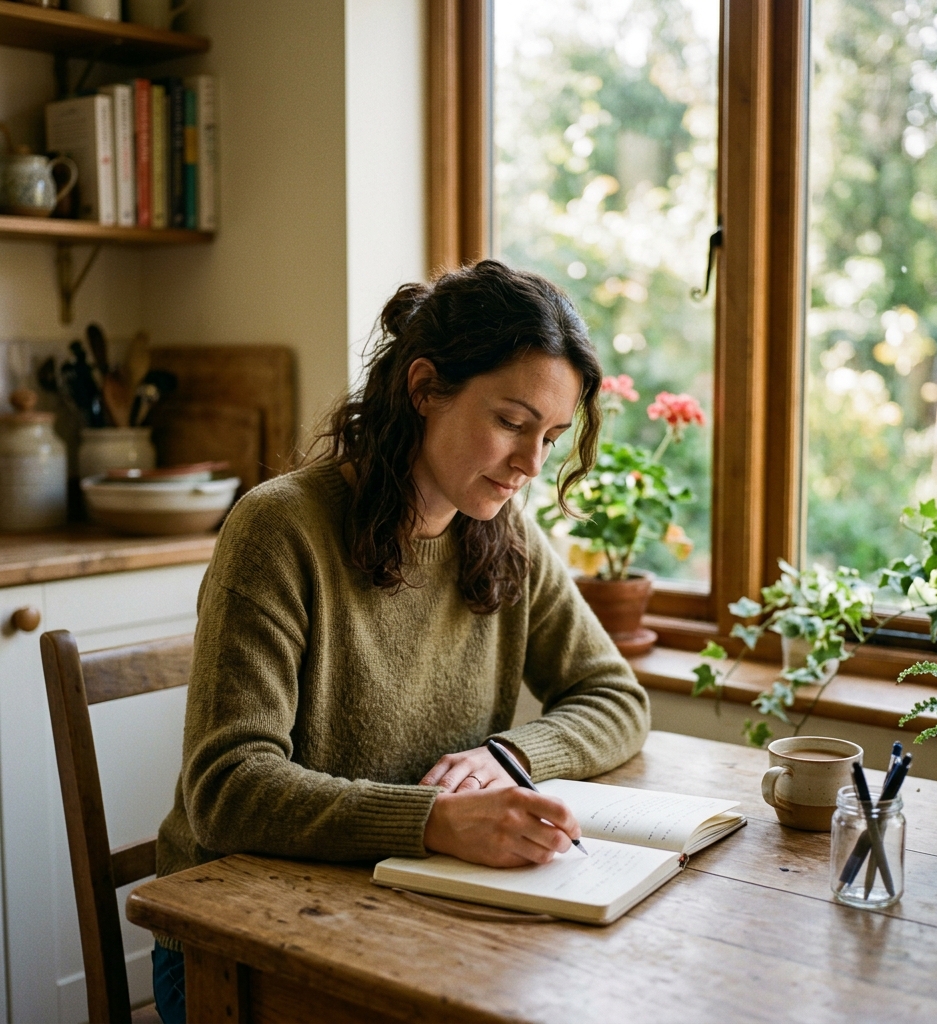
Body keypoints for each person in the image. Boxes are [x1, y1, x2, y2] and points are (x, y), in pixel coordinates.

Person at [150, 260, 650, 1022]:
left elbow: (615, 697)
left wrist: (507, 759)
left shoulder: (502, 534)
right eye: (512, 423)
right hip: (238, 941)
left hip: (404, 906)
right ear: (424, 389)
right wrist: (434, 820)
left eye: (551, 436)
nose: (530, 465)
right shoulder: (278, 529)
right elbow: (226, 788)